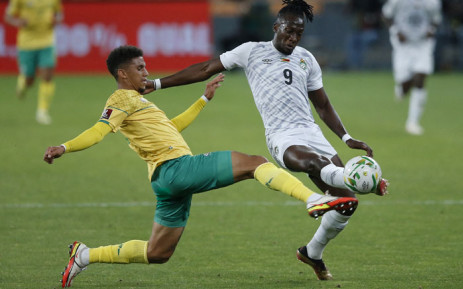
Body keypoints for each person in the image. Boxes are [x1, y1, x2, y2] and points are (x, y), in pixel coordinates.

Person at [43, 45, 359, 287]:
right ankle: (313, 198)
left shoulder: (138, 103)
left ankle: (83, 255)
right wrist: (64, 147)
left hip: (166, 180)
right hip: (176, 169)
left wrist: (203, 100)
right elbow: (99, 131)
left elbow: (171, 128)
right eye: (140, 68)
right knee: (255, 163)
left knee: (158, 253)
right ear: (123, 74)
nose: (146, 72)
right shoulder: (119, 100)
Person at [143, 0, 389, 280]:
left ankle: (312, 252)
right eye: (289, 31)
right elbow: (205, 69)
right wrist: (158, 83)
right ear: (276, 27)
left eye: (299, 33)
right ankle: (358, 180)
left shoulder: (306, 59)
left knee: (346, 203)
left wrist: (346, 137)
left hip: (312, 133)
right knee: (314, 164)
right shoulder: (252, 51)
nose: (293, 38)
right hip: (282, 137)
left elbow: (322, 106)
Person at [382, 0, 442, 135]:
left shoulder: (432, 2)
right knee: (405, 85)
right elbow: (386, 15)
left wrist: (431, 30)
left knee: (420, 77)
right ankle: (402, 88)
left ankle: (412, 122)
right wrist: (395, 30)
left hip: (423, 45)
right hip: (403, 46)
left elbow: (436, 19)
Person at [4, 0, 63, 125]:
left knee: (47, 75)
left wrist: (56, 20)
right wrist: (18, 22)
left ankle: (42, 112)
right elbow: (7, 16)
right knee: (29, 80)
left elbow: (59, 14)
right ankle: (23, 83)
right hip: (26, 44)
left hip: (46, 42)